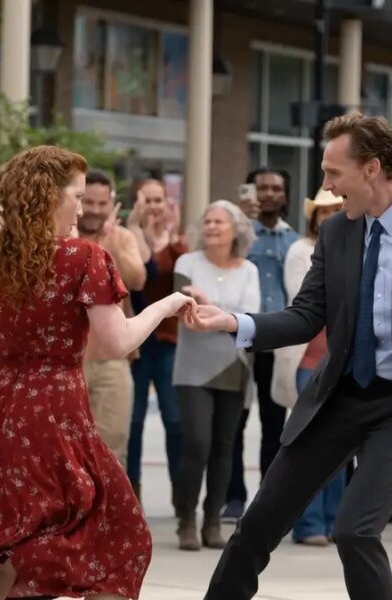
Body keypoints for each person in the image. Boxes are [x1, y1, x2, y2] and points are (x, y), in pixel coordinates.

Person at [185, 113, 392, 600]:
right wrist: (233, 322)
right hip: (339, 395)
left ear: (371, 168)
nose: (326, 187)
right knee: (258, 523)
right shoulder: (337, 232)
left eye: (333, 173)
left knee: (355, 531)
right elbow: (306, 315)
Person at [0, 146, 194, 600]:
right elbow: (117, 343)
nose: (80, 208)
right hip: (53, 412)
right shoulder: (82, 258)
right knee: (122, 535)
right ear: (48, 197)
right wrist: (167, 305)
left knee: (7, 540)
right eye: (76, 196)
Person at [172, 201, 260, 551]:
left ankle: (212, 521)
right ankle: (185, 520)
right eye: (207, 221)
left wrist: (211, 306)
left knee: (225, 446)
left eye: (219, 221)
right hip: (192, 368)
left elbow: (252, 318)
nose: (211, 226)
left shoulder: (249, 270)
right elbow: (186, 316)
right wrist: (226, 316)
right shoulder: (187, 263)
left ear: (236, 230)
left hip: (234, 367)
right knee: (197, 442)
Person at [224, 168, 299, 523]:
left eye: (275, 188)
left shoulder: (294, 241)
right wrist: (241, 222)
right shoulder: (238, 235)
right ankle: (233, 497)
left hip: (276, 342)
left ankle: (267, 500)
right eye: (262, 188)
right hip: (239, 340)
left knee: (274, 425)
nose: (268, 194)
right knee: (233, 423)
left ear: (285, 195)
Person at [274, 188, 346, 547]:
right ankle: (308, 523)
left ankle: (335, 521)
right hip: (309, 359)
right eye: (323, 211)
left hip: (343, 360)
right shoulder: (300, 250)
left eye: (336, 210)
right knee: (311, 443)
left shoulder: (358, 246)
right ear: (314, 217)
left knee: (340, 445)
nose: (329, 217)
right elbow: (306, 297)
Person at [75, 170, 147, 468]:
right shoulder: (60, 233)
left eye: (101, 203)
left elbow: (137, 280)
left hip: (112, 361)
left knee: (112, 451)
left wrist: (108, 243)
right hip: (67, 361)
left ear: (112, 202)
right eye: (87, 201)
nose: (94, 210)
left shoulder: (122, 238)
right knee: (66, 452)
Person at [125, 179, 186, 504]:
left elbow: (182, 277)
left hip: (168, 339)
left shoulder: (177, 241)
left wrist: (172, 239)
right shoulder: (127, 238)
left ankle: (180, 492)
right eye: (146, 200)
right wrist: (138, 231)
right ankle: (131, 491)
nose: (153, 206)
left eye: (158, 200)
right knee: (133, 421)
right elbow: (140, 277)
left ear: (167, 203)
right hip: (135, 339)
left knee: (174, 419)